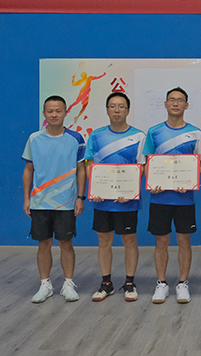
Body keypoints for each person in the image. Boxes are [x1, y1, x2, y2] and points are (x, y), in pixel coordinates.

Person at [143, 87, 201, 304]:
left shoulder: (196, 133)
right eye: (172, 100)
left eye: (180, 100)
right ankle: (161, 283)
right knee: (161, 241)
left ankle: (182, 283)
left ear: (186, 105)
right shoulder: (153, 132)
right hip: (159, 198)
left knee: (184, 241)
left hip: (184, 199)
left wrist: (189, 181)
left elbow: (200, 164)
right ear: (165, 104)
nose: (176, 103)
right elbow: (147, 163)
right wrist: (151, 183)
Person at [22, 95, 86, 303]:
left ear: (66, 112)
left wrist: (80, 197)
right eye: (50, 111)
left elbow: (81, 169)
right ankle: (45, 285)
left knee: (66, 243)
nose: (54, 114)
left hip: (66, 202)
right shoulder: (34, 139)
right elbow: (28, 169)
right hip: (40, 201)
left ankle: (68, 283)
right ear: (44, 114)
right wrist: (26, 199)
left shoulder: (76, 139)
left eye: (58, 111)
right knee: (43, 243)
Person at [85, 92, 147, 302]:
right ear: (107, 110)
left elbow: (142, 166)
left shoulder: (139, 136)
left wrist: (129, 190)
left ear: (128, 110)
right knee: (104, 241)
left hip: (127, 201)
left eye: (121, 106)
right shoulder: (96, 135)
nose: (117, 110)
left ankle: (129, 283)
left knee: (129, 240)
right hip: (102, 201)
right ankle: (106, 283)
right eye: (112, 106)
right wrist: (95, 189)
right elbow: (89, 164)